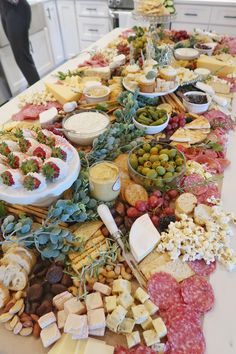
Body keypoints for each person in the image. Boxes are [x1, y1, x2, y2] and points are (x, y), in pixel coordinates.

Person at [0, 0, 40, 86]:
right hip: (5, 10)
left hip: (16, 8)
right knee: (21, 55)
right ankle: (34, 84)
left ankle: (37, 88)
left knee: (22, 56)